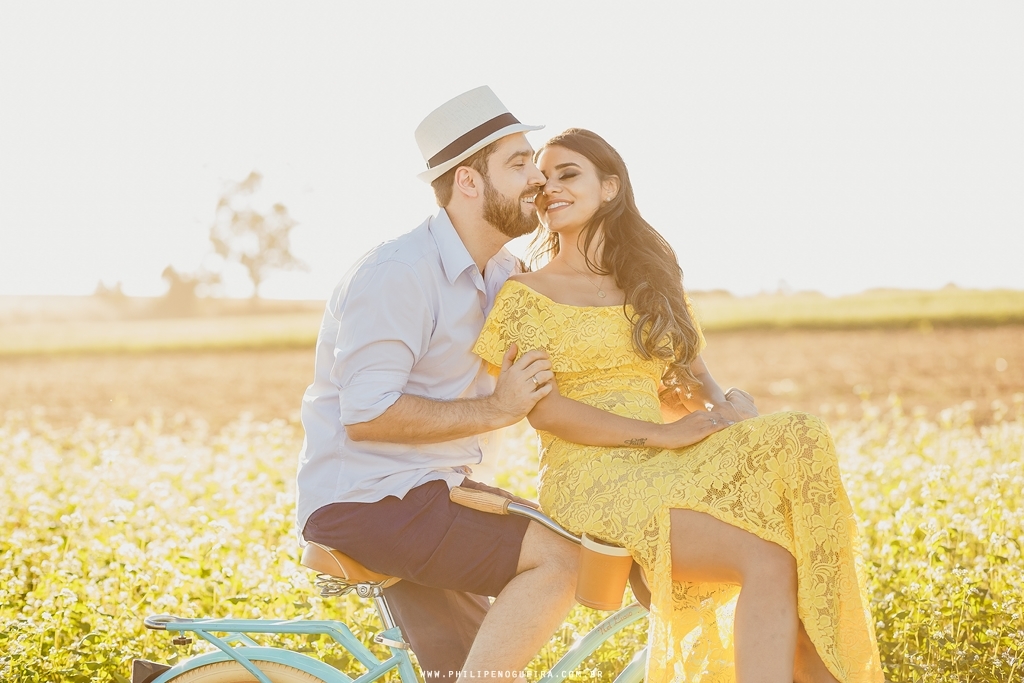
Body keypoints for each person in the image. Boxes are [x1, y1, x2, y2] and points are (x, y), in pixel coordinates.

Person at [474, 128, 884, 683]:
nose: (550, 189)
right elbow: (544, 412)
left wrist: (728, 410)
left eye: (568, 174)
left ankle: (827, 663)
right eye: (543, 181)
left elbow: (696, 383)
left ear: (611, 187)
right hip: (591, 476)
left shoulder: (650, 284)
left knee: (797, 439)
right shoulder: (526, 292)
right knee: (771, 560)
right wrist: (661, 435)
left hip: (665, 467)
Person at [295, 87, 579, 681]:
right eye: (518, 164)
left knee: (481, 658)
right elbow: (367, 415)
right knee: (563, 559)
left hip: (433, 493)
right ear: (469, 182)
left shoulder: (504, 273)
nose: (538, 178)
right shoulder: (398, 273)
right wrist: (497, 408)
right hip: (371, 503)